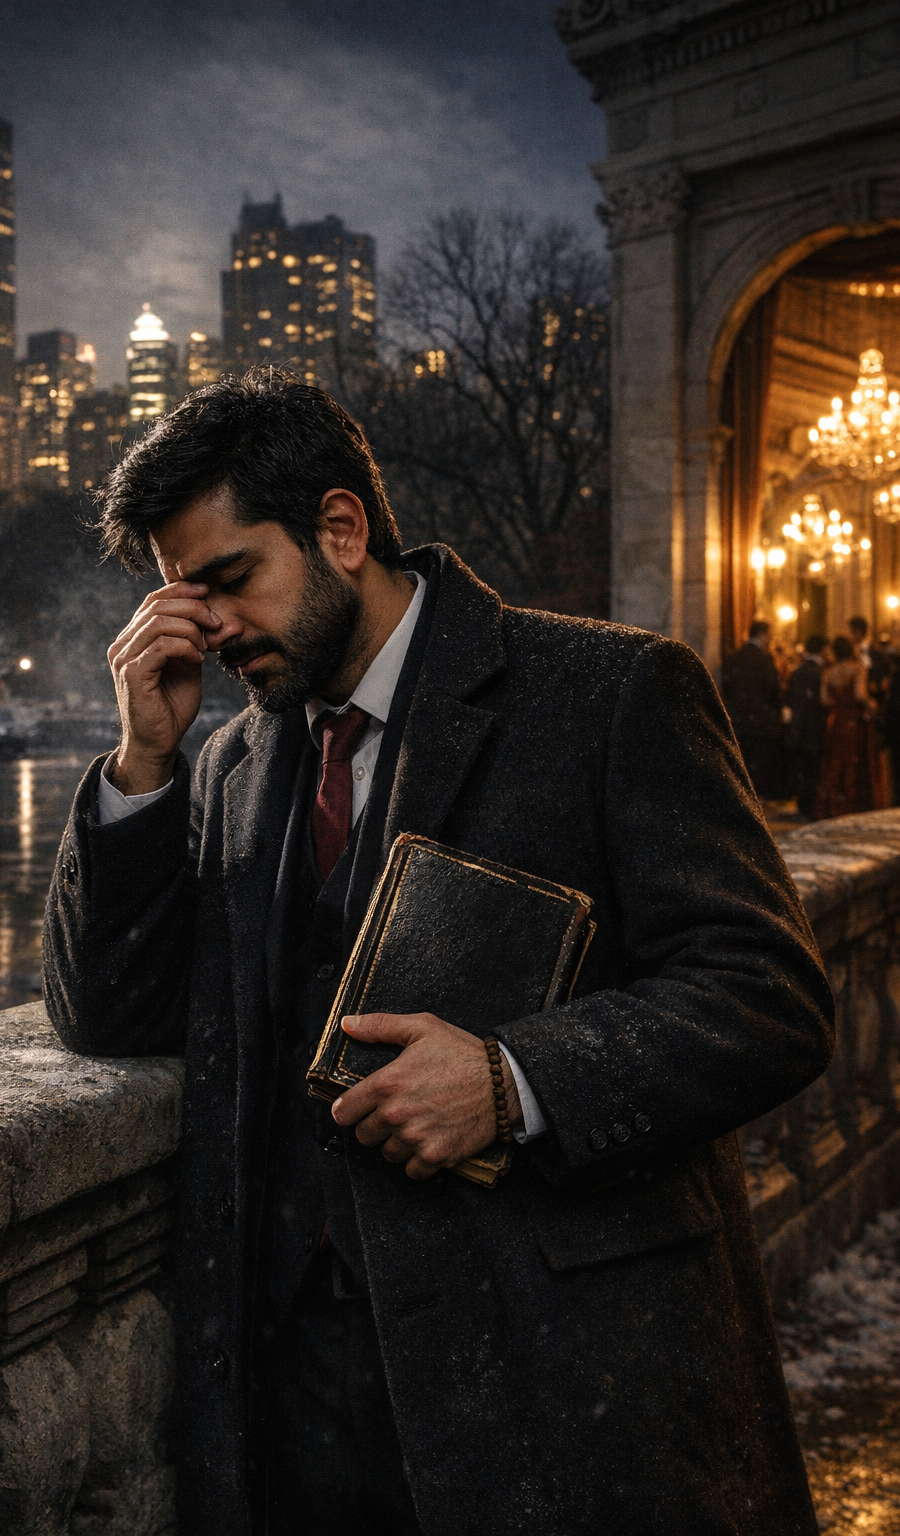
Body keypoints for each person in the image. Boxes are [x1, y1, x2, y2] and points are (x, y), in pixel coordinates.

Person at [43, 370, 833, 1536]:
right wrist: (141, 765)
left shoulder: (610, 692)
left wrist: (514, 1084)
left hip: (556, 1379)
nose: (204, 628)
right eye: (178, 594)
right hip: (297, 1401)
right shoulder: (226, 766)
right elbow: (112, 1016)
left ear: (341, 529)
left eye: (226, 580)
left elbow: (769, 996)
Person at [815, 635, 884, 819]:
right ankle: (856, 804)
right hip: (854, 721)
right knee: (856, 761)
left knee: (836, 761)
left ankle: (836, 803)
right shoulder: (857, 669)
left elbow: (825, 700)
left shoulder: (828, 673)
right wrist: (873, 706)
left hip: (837, 720)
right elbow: (860, 694)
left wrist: (839, 702)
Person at [720, 619, 783, 796]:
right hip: (760, 719)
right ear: (763, 634)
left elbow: (727, 686)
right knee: (758, 763)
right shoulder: (764, 659)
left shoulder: (735, 656)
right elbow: (773, 689)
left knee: (741, 761)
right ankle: (755, 799)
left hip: (739, 717)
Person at [787, 635, 829, 819]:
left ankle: (803, 802)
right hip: (816, 726)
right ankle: (812, 804)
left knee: (803, 767)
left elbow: (790, 699)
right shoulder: (822, 672)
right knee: (815, 767)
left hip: (799, 726)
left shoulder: (798, 672)